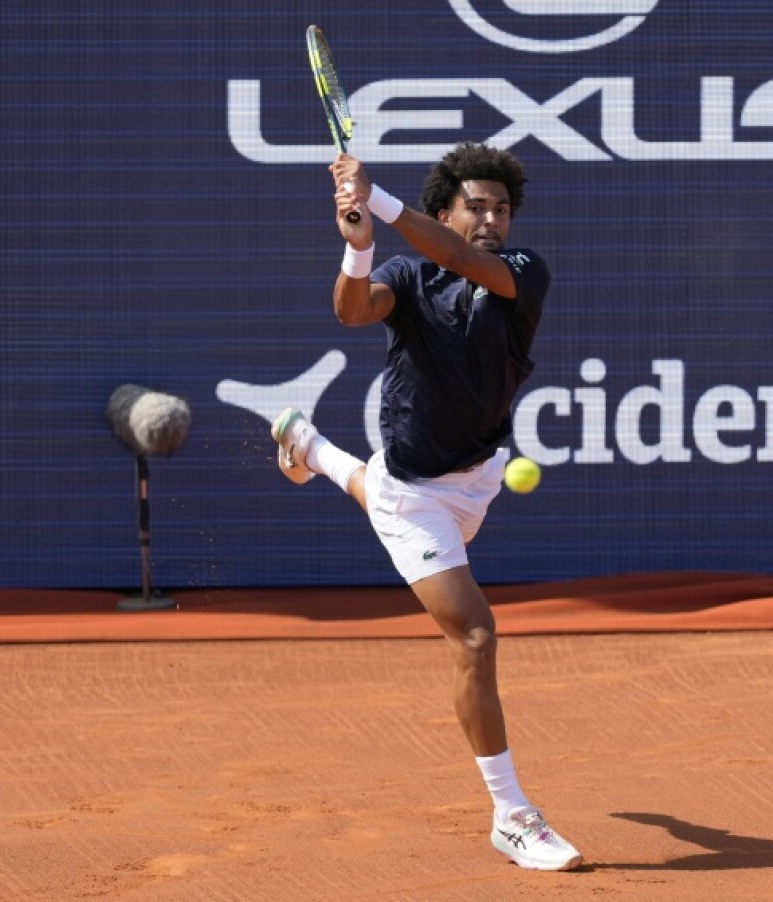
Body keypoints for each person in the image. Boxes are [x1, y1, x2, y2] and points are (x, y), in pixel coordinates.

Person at [270, 142, 582, 871]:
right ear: (445, 211)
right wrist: (360, 247)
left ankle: (309, 446)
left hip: (480, 476)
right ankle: (512, 814)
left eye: (500, 208)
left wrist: (379, 202)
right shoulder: (408, 274)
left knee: (370, 488)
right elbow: (354, 311)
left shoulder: (523, 273)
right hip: (417, 495)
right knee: (474, 635)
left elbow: (472, 265)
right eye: (476, 206)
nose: (491, 219)